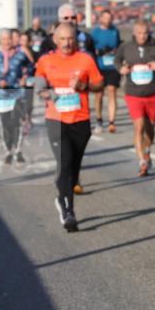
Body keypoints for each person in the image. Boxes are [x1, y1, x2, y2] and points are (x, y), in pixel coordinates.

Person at [34, 23, 104, 232]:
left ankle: (62, 197)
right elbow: (38, 84)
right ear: (55, 40)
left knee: (73, 169)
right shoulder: (46, 60)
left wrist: (84, 86)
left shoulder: (86, 59)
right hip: (56, 119)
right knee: (64, 163)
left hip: (80, 119)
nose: (67, 43)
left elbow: (99, 84)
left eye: (71, 38)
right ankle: (68, 211)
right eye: (63, 39)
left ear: (76, 39)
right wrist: (44, 93)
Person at [112, 19, 155, 177]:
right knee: (138, 127)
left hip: (152, 93)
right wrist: (121, 69)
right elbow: (116, 61)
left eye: (145, 33)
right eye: (139, 33)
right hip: (133, 93)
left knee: (150, 128)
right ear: (134, 33)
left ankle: (147, 150)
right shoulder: (126, 47)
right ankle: (142, 161)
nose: (142, 36)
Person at [0, 28, 33, 164]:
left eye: (9, 39)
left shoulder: (20, 54)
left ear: (13, 39)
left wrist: (25, 77)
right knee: (6, 125)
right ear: (0, 40)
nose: (7, 42)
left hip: (18, 93)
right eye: (4, 39)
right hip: (2, 95)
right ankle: (8, 151)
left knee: (17, 123)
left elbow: (30, 67)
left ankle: (18, 151)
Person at [90, 9, 122, 134]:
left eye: (110, 18)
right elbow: (91, 49)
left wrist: (115, 51)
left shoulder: (115, 31)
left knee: (112, 91)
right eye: (105, 18)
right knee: (99, 94)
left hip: (112, 66)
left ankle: (111, 122)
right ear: (101, 19)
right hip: (99, 66)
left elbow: (119, 46)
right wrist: (98, 51)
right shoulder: (95, 32)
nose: (108, 20)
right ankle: (98, 119)